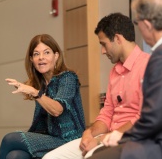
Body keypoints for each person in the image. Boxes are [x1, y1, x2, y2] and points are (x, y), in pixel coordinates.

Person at [88, 0, 162, 159]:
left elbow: (155, 116)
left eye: (137, 22)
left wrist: (121, 135)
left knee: (98, 157)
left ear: (147, 24)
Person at [42, 13, 150, 159]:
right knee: (50, 158)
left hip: (133, 139)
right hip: (107, 137)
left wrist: (100, 139)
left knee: (91, 156)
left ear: (118, 39)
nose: (103, 51)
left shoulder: (150, 66)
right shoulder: (114, 72)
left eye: (104, 44)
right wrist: (90, 133)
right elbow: (107, 113)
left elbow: (144, 118)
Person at [0, 34, 85, 159]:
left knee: (9, 139)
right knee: (15, 155)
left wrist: (35, 93)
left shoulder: (68, 78)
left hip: (69, 140)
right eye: (36, 54)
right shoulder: (42, 85)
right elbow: (42, 126)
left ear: (56, 55)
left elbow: (57, 109)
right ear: (32, 59)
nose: (41, 58)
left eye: (46, 52)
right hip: (51, 139)